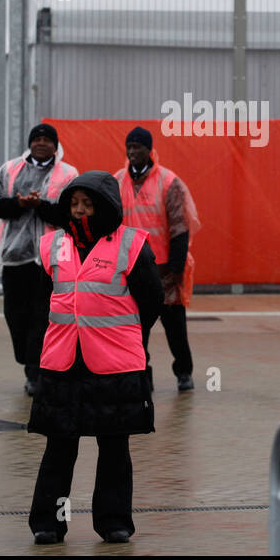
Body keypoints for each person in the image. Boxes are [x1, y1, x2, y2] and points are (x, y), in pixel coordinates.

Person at [27, 171, 162, 544]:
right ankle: (48, 524)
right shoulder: (52, 245)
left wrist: (123, 335)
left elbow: (151, 301)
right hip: (63, 361)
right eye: (74, 204)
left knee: (114, 446)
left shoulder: (132, 245)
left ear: (106, 206)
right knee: (59, 445)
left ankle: (114, 522)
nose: (81, 211)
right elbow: (40, 306)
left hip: (114, 364)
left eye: (88, 204)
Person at [0, 124, 77, 395]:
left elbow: (70, 213)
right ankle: (27, 359)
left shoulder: (68, 174)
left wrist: (41, 207)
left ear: (56, 146)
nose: (42, 143)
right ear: (30, 143)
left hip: (51, 258)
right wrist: (20, 205)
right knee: (15, 314)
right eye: (37, 139)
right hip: (16, 257)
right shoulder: (11, 169)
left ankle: (35, 373)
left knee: (42, 316)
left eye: (48, 140)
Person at [114, 127, 201, 391]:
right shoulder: (117, 180)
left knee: (175, 326)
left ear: (149, 150)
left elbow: (179, 226)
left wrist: (175, 269)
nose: (133, 152)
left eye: (138, 147)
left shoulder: (168, 181)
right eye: (129, 147)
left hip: (164, 270)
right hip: (131, 268)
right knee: (136, 328)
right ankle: (142, 373)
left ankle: (183, 371)